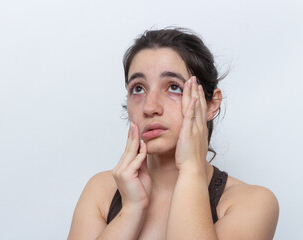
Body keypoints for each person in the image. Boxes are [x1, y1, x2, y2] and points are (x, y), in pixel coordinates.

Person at [67, 27, 279, 240]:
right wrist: (132, 209)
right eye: (138, 89)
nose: (150, 107)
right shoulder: (102, 191)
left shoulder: (251, 202)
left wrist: (190, 169)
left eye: (174, 87)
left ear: (212, 104)